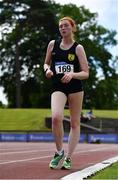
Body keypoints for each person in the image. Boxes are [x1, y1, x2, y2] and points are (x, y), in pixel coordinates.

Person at [43, 16, 89, 170]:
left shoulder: (78, 48)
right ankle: (59, 152)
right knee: (56, 117)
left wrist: (73, 75)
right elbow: (45, 63)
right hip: (58, 86)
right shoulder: (52, 45)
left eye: (65, 26)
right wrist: (47, 70)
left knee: (75, 123)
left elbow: (86, 73)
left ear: (72, 28)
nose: (62, 28)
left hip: (75, 87)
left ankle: (69, 157)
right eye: (60, 26)